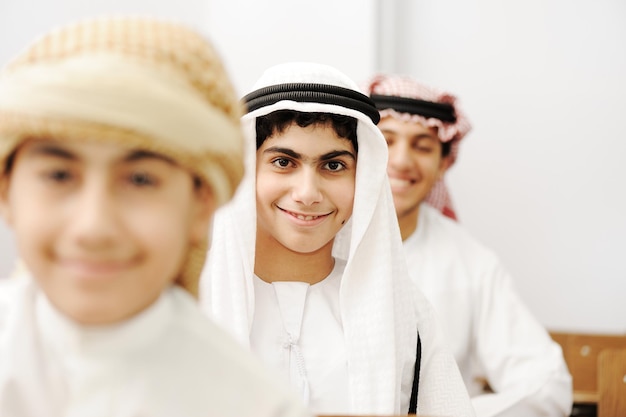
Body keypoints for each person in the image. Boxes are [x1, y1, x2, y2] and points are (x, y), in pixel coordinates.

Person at [0, 17, 310, 417]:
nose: (93, 227)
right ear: (7, 193)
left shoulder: (256, 405)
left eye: (140, 179)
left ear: (201, 204)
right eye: (59, 175)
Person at [200, 62, 476, 417]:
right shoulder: (189, 302)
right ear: (247, 169)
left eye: (333, 166)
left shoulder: (406, 311)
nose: (307, 193)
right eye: (284, 162)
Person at [363, 73, 573, 417]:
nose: (401, 160)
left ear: (444, 162)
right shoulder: (314, 241)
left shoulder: (470, 261)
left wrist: (446, 412)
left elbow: (547, 385)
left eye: (422, 145)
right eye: (387, 140)